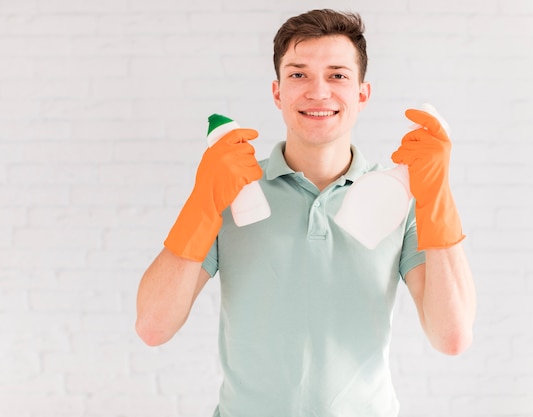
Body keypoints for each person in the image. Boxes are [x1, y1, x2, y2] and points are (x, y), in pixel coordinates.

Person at [136, 9, 476, 417]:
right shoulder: (233, 190)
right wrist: (202, 202)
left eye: (337, 75)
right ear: (278, 92)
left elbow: (452, 337)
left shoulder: (399, 199)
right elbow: (153, 327)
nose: (318, 92)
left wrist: (437, 197)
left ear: (362, 94)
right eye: (298, 75)